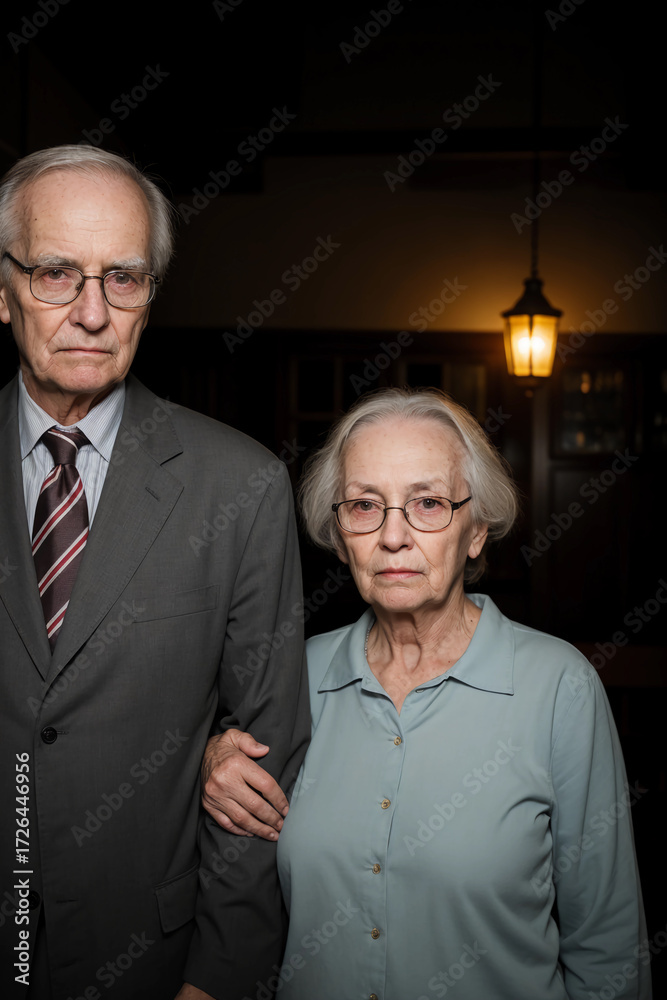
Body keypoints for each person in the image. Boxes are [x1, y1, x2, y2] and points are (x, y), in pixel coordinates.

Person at [203, 387, 650, 1000]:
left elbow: (608, 949)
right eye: (365, 505)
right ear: (340, 535)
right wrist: (209, 756)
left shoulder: (559, 688)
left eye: (429, 503)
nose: (393, 536)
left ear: (476, 531)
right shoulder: (294, 674)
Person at [0, 144, 309, 1000]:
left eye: (124, 278)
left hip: (151, 960)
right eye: (56, 273)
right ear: (4, 289)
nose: (92, 312)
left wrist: (218, 977)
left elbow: (266, 765)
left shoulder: (240, 486)